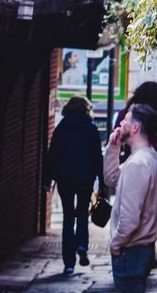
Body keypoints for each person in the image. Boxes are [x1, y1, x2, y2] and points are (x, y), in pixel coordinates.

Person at [103, 104, 157, 292]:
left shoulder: (138, 164)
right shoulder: (146, 157)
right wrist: (114, 147)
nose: (121, 123)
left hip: (131, 252)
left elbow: (130, 218)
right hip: (137, 251)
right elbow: (111, 178)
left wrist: (115, 244)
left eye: (126, 120)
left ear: (135, 127)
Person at [46, 95, 104, 276]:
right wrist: (102, 182)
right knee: (82, 214)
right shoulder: (91, 129)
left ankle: (69, 263)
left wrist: (48, 180)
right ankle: (81, 245)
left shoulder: (61, 128)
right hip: (85, 179)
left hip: (65, 179)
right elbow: (97, 157)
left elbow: (52, 156)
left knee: (68, 218)